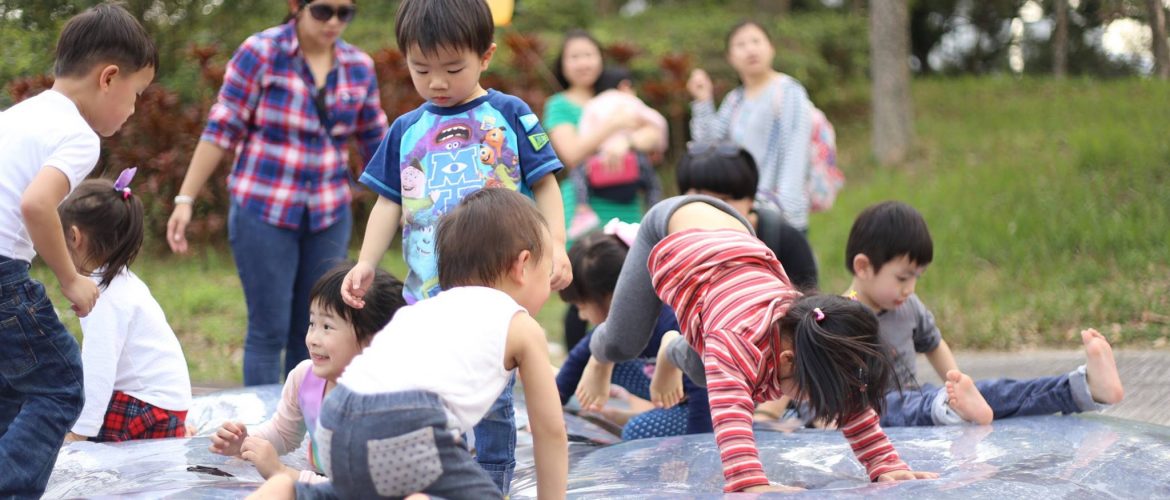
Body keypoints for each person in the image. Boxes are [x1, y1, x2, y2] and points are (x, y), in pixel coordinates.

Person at [339, 0, 569, 493]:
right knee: (434, 394)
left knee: (494, 399)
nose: (437, 82)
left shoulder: (509, 114)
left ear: (485, 56)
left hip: (499, 287)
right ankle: (434, 480)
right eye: (421, 70)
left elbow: (546, 184)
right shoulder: (406, 130)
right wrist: (365, 262)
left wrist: (559, 246)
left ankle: (492, 483)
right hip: (430, 292)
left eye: (452, 69)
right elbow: (387, 203)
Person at [574, 195, 936, 492]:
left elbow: (852, 403)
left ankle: (676, 348)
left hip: (735, 237)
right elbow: (731, 420)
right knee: (625, 343)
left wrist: (885, 464)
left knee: (708, 369)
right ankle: (600, 356)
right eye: (811, 392)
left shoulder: (812, 338)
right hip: (671, 227)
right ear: (790, 359)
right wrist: (751, 483)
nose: (814, 402)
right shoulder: (737, 345)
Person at [259, 188, 568, 499]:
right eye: (547, 271)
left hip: (339, 417)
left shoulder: (426, 310)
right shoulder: (521, 325)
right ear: (523, 265)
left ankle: (287, 493)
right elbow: (550, 432)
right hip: (411, 422)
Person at [167, 0, 389, 386]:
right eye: (323, 11)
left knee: (318, 327)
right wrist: (185, 199)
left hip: (328, 212)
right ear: (296, 7)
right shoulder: (262, 52)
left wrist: (410, 200)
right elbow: (221, 128)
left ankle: (305, 428)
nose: (334, 22)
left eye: (344, 13)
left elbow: (376, 142)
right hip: (263, 208)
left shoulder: (358, 66)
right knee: (268, 328)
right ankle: (262, 432)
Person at [0, 3, 155, 495]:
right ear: (109, 77)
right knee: (60, 384)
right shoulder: (78, 135)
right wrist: (71, 278)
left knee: (12, 389)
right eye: (136, 95)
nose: (133, 111)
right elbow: (37, 204)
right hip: (3, 275)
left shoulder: (17, 115)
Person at [842, 201, 1125, 427]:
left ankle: (1084, 387)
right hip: (872, 409)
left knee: (997, 392)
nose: (910, 288)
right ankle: (952, 409)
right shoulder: (839, 318)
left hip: (923, 396)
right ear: (864, 267)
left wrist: (957, 383)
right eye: (903, 278)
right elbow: (818, 384)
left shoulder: (908, 306)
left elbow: (934, 344)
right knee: (892, 408)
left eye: (917, 277)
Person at [211, 262, 405, 484]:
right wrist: (245, 444)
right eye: (312, 323)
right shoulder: (305, 377)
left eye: (327, 327)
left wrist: (282, 472)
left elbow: (361, 489)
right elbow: (283, 433)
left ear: (373, 340)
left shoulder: (385, 402)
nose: (312, 338)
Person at [544, 30, 661, 355]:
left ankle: (626, 365)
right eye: (574, 56)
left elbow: (654, 133)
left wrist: (630, 140)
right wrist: (614, 127)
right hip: (585, 207)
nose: (583, 62)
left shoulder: (617, 92)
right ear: (562, 64)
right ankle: (577, 367)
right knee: (582, 286)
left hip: (626, 203)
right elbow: (571, 153)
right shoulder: (560, 105)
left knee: (630, 284)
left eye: (589, 54)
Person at [58, 172, 192, 444]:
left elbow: (99, 371)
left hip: (150, 411)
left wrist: (78, 435)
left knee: (60, 415)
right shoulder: (121, 281)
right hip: (168, 407)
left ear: (74, 237)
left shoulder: (104, 297)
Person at [555, 223, 711, 440]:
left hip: (709, 409)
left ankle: (648, 421)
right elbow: (574, 365)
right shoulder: (615, 331)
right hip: (672, 401)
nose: (581, 316)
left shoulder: (671, 323)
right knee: (602, 356)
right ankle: (651, 417)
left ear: (613, 297)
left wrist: (697, 447)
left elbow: (703, 394)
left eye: (582, 307)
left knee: (637, 431)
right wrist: (550, 413)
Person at [688, 21, 816, 232]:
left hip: (779, 217)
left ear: (771, 48)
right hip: (742, 215)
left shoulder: (788, 92)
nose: (750, 49)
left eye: (756, 41)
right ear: (730, 57)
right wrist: (703, 101)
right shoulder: (735, 100)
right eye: (740, 44)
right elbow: (709, 147)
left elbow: (795, 154)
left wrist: (784, 215)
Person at [675, 143, 817, 291]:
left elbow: (806, 304)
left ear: (751, 199)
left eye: (723, 201)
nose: (711, 211)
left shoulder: (785, 241)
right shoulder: (671, 249)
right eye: (699, 202)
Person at [566, 66, 667, 239]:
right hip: (633, 159)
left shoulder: (593, 104)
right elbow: (658, 122)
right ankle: (654, 212)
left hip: (599, 161)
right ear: (625, 85)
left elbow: (585, 133)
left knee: (578, 175)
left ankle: (582, 210)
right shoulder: (630, 101)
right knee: (652, 183)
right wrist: (660, 147)